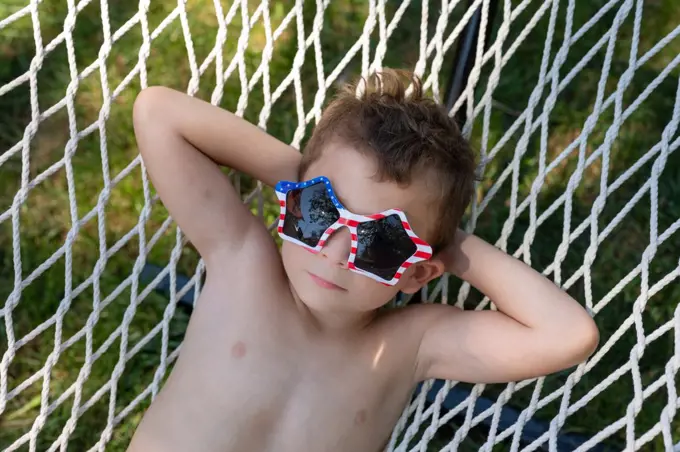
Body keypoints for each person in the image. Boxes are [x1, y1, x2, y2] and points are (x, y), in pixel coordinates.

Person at [127, 69, 599, 452]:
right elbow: (158, 113)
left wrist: (446, 244)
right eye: (319, 213)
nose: (334, 253)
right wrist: (302, 177)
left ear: (417, 271)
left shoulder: (410, 345)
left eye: (379, 243)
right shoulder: (243, 262)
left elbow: (569, 335)